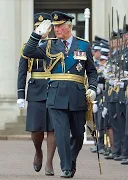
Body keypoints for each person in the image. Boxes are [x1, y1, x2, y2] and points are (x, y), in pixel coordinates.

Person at [22, 11, 98, 178]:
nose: (56, 30)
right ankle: (66, 167)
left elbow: (92, 71)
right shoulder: (49, 45)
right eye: (54, 27)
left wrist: (92, 87)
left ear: (69, 26)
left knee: (78, 135)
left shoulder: (83, 46)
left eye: (60, 26)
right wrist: (36, 34)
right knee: (62, 133)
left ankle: (70, 162)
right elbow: (27, 52)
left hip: (77, 95)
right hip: (56, 96)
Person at [17, 12, 56, 176]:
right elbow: (22, 72)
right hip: (35, 90)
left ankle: (49, 162)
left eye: (44, 27)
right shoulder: (28, 46)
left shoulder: (56, 45)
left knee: (53, 128)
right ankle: (38, 151)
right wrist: (20, 94)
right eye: (37, 27)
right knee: (36, 129)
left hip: (54, 88)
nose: (41, 30)